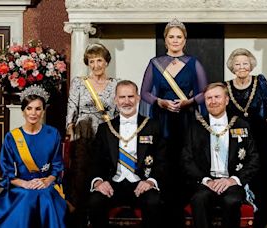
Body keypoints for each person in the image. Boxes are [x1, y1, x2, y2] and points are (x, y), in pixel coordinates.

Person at [0, 85, 66, 228]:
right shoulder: (12, 137)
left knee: (45, 195)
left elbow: (57, 166)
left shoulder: (53, 134)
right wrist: (25, 184)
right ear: (23, 111)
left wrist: (47, 181)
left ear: (43, 111)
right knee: (27, 196)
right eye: (29, 108)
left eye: (38, 109)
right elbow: (7, 172)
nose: (33, 113)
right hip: (21, 186)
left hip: (46, 185)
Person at [140, 18, 208, 227]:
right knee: (165, 161)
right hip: (162, 119)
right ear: (166, 39)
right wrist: (159, 101)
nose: (175, 40)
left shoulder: (194, 62)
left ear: (184, 40)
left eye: (179, 37)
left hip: (186, 119)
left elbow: (205, 93)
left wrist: (188, 102)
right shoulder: (155, 63)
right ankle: (165, 210)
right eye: (172, 37)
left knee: (185, 161)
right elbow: (143, 92)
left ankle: (186, 205)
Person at [86, 80, 166, 228]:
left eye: (130, 96)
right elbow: (96, 161)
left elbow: (162, 160)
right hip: (113, 184)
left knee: (154, 201)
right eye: (122, 97)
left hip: (141, 183)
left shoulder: (152, 126)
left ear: (138, 98)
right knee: (95, 201)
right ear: (116, 100)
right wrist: (98, 181)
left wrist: (150, 182)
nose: (127, 101)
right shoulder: (105, 128)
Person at [181, 82, 259, 228]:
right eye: (209, 98)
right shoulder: (195, 126)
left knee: (231, 200)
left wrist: (232, 180)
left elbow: (253, 159)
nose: (213, 101)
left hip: (232, 182)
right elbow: (187, 159)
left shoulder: (241, 125)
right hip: (206, 182)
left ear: (226, 100)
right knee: (199, 199)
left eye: (217, 97)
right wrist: (207, 181)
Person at [224, 48, 267, 227]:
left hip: (259, 135)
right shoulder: (226, 86)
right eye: (237, 64)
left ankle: (263, 218)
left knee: (261, 174)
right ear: (232, 67)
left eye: (245, 63)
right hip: (235, 137)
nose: (242, 67)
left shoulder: (260, 82)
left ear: (251, 65)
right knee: (237, 171)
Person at [65, 43, 118, 227]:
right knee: (81, 174)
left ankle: (97, 212)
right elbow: (72, 108)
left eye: (99, 60)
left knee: (103, 172)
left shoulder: (116, 84)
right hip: (83, 132)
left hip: (107, 133)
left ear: (106, 62)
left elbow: (118, 112)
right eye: (92, 61)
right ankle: (79, 216)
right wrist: (70, 130)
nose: (96, 65)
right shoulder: (79, 83)